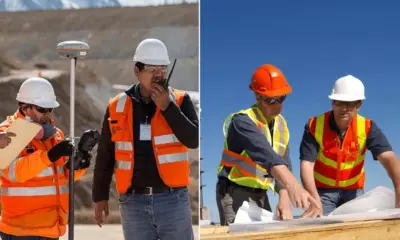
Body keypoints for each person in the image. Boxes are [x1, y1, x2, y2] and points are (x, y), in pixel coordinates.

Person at [92, 38, 199, 240]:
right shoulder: (117, 106)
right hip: (133, 204)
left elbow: (193, 140)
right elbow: (106, 155)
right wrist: (100, 196)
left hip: (172, 201)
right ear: (137, 71)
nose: (159, 75)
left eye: (163, 69)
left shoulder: (180, 101)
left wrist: (168, 108)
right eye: (152, 69)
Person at [216, 64, 317, 225]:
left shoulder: (281, 125)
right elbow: (266, 156)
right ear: (257, 96)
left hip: (261, 193)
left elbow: (284, 163)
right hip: (234, 191)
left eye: (281, 98)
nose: (277, 104)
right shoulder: (242, 121)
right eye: (271, 100)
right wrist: (294, 186)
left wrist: (284, 198)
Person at [0, 77, 89, 239]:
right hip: (21, 231)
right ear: (24, 107)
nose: (47, 114)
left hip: (51, 228)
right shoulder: (8, 133)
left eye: (50, 109)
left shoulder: (55, 135)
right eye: (42, 109)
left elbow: (63, 177)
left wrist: (78, 165)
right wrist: (49, 156)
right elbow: (15, 173)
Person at [300, 75, 400, 217]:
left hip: (354, 192)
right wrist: (314, 199)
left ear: (358, 105)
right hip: (322, 191)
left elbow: (388, 157)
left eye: (350, 104)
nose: (344, 109)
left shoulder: (367, 127)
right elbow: (307, 165)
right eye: (340, 103)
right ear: (332, 102)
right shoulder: (314, 126)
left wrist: (399, 188)